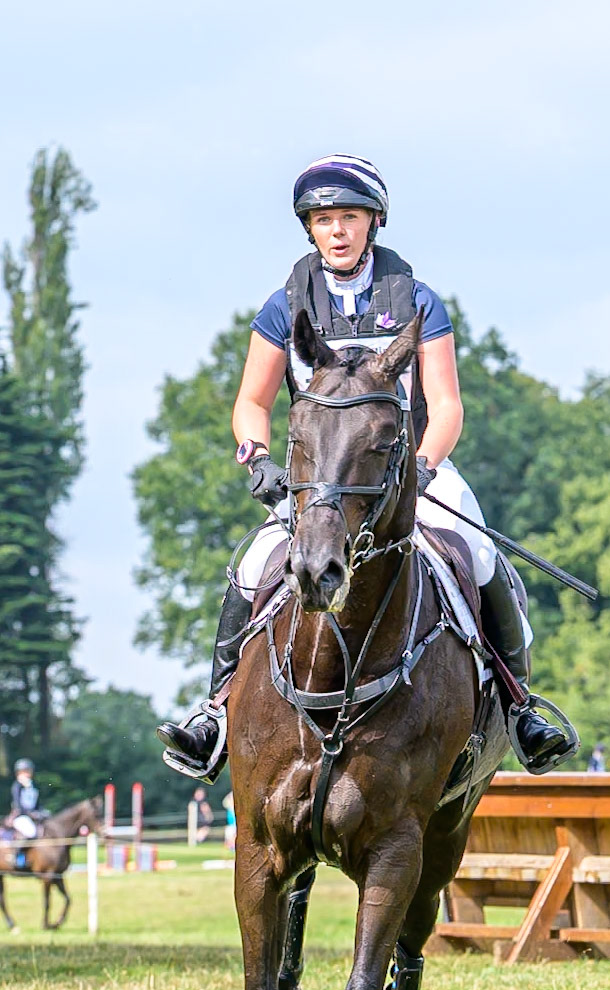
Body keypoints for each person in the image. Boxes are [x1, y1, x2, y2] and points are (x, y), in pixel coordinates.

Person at [158, 154, 575, 781]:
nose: (337, 231)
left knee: (480, 555)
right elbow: (251, 403)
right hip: (321, 476)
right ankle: (215, 712)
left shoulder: (416, 300)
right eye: (324, 220)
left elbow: (448, 405)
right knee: (251, 566)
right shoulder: (284, 306)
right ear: (309, 229)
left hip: (408, 468)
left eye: (348, 217)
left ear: (373, 222)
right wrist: (259, 460)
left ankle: (519, 709)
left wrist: (426, 467)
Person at [9, 758, 45, 839]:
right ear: (18, 773)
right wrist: (29, 813)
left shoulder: (34, 786)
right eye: (24, 771)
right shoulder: (17, 786)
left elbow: (37, 803)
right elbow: (18, 804)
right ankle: (19, 852)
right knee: (30, 832)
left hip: (33, 815)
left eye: (28, 771)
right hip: (21, 816)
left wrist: (41, 811)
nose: (27, 774)